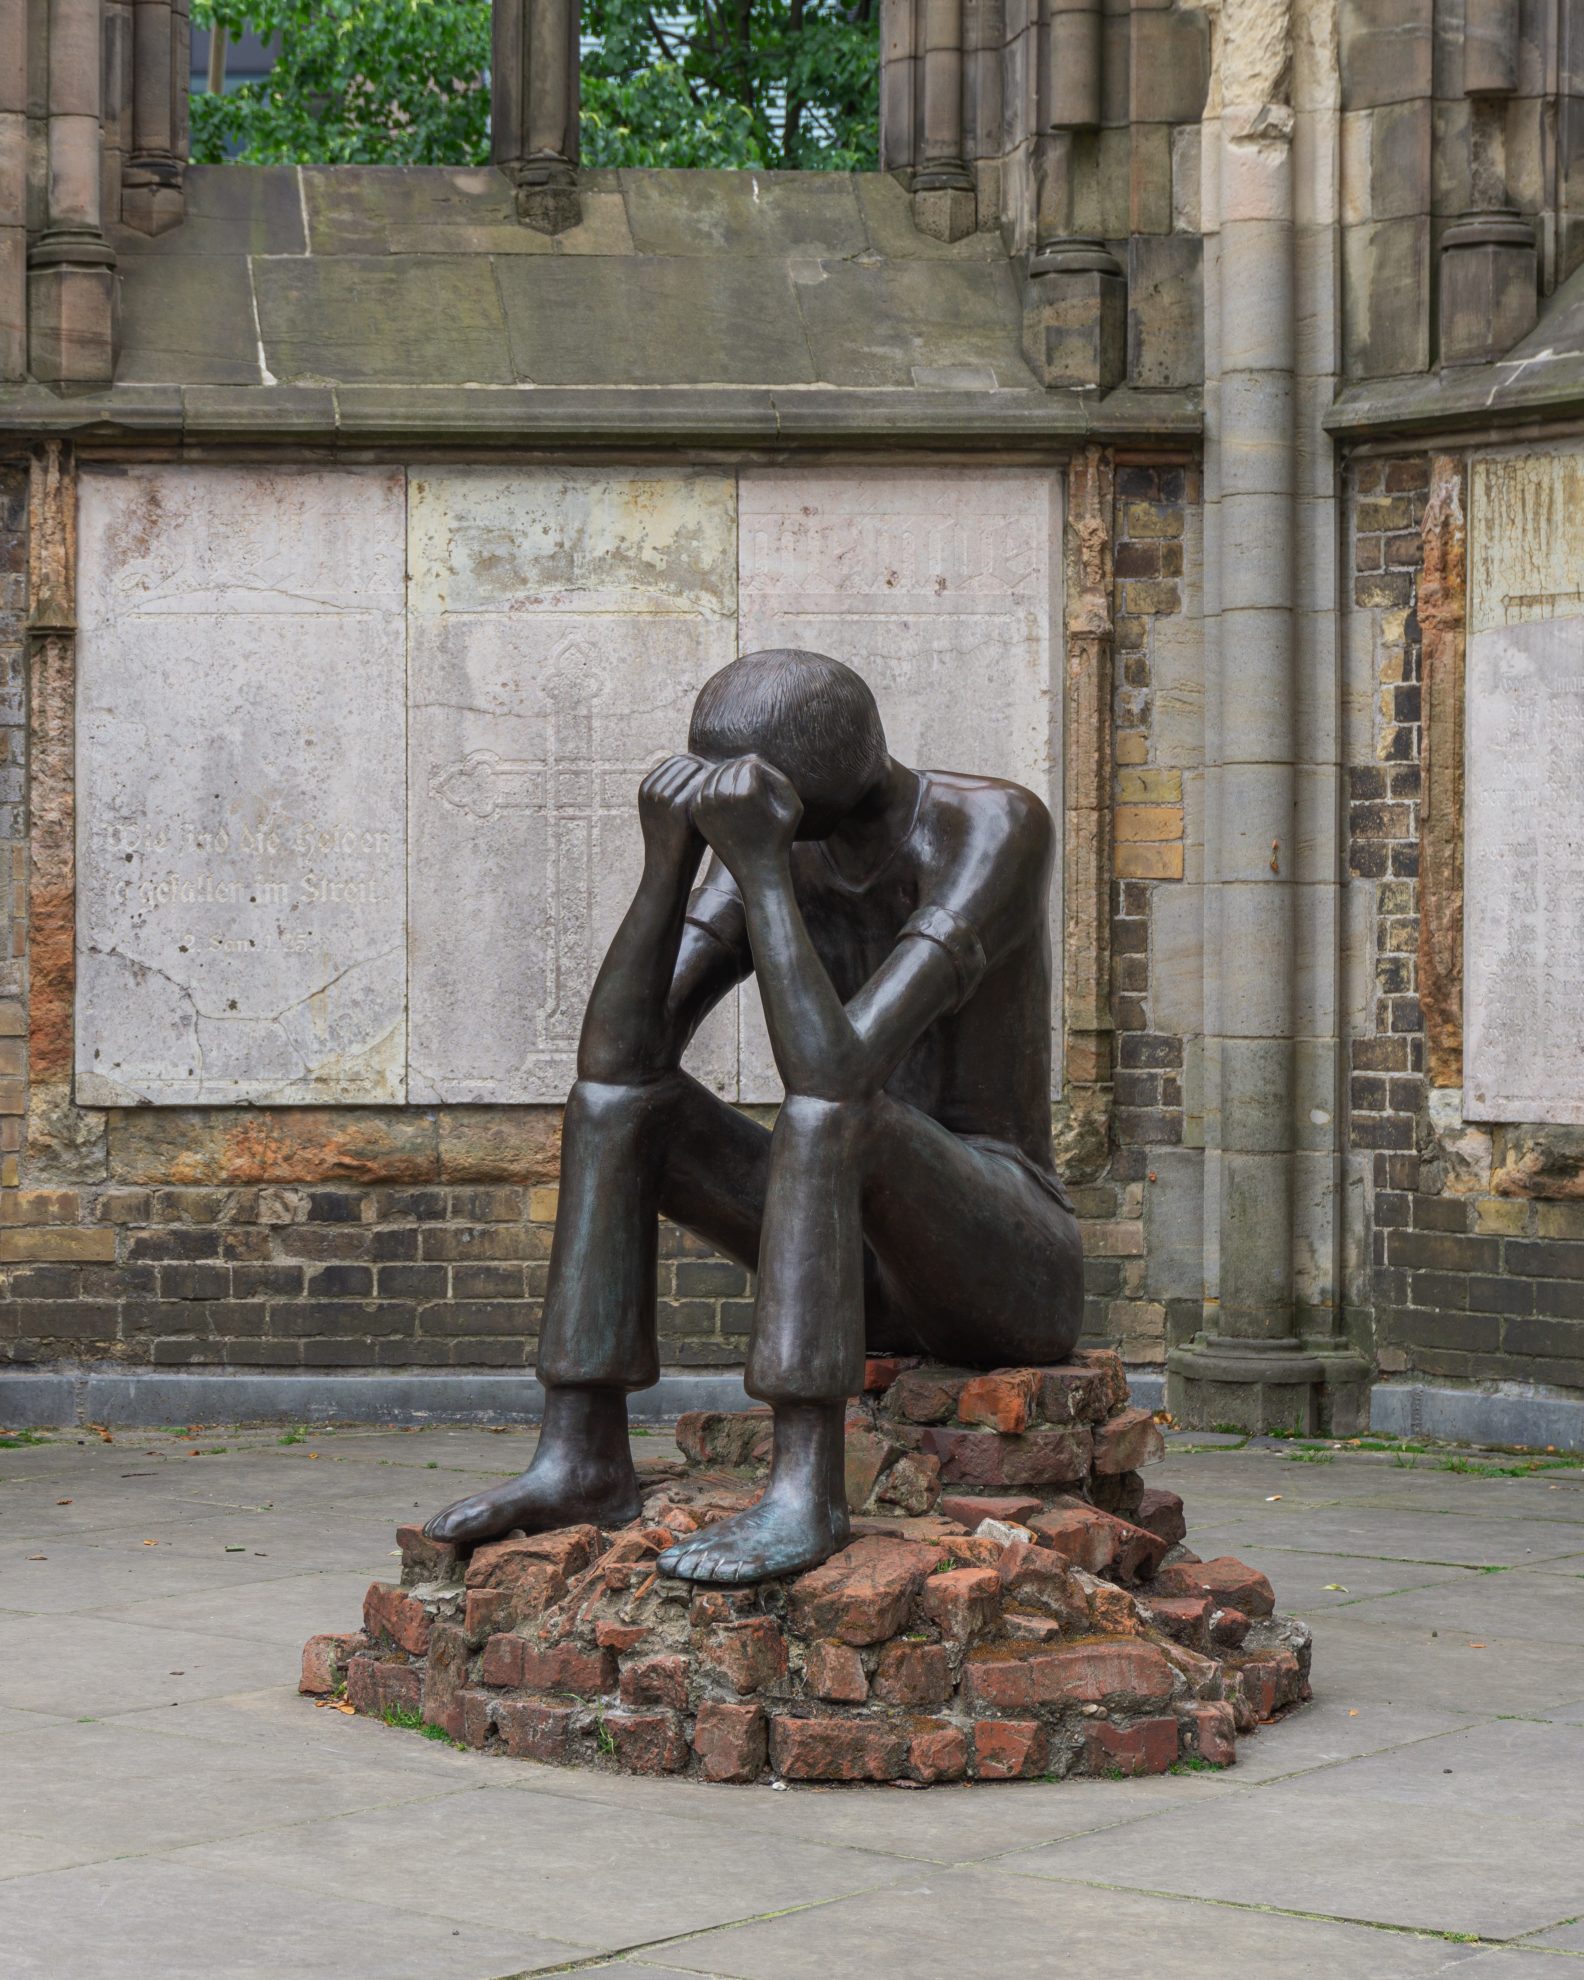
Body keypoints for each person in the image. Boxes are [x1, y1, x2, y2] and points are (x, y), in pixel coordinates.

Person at [425, 648, 1083, 1581]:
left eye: (741, 796)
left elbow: (838, 1072)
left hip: (1005, 1265)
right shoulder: (776, 845)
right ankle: (581, 1454)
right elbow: (617, 1057)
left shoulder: (993, 827)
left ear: (798, 798)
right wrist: (667, 869)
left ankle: (807, 1490)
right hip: (860, 1260)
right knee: (621, 1106)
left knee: (828, 1113)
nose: (721, 808)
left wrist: (767, 874)